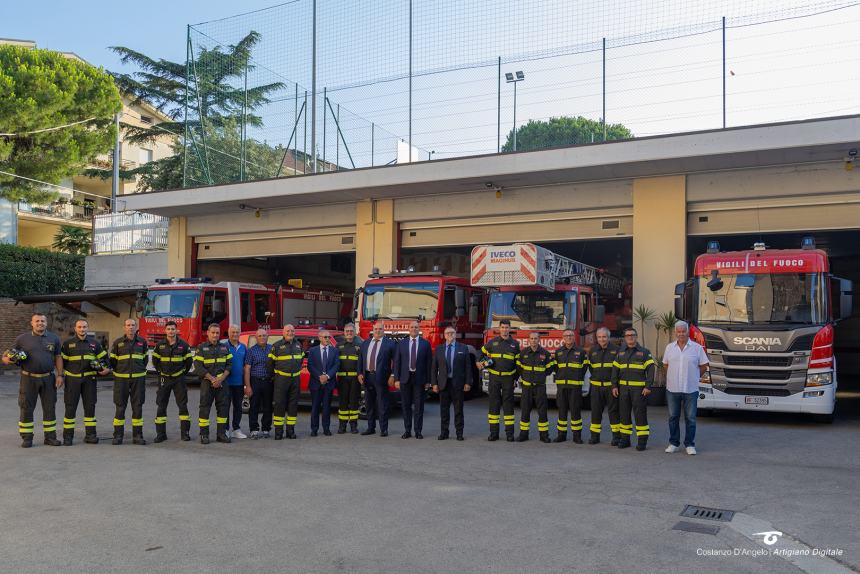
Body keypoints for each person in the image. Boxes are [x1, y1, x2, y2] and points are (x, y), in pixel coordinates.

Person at [4, 313, 63, 448]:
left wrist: (60, 375)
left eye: (42, 321)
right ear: (32, 323)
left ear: (46, 323)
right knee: (26, 407)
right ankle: (27, 438)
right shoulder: (22, 338)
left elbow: (58, 357)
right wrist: (6, 359)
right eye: (37, 321)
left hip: (48, 378)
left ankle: (50, 437)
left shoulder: (54, 338)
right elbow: (7, 353)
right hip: (28, 378)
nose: (40, 323)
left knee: (50, 408)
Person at [60, 318, 110, 445]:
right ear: (75, 329)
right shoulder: (67, 344)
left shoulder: (95, 343)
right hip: (73, 379)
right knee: (70, 407)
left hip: (89, 380)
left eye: (84, 327)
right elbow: (62, 362)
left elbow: (105, 359)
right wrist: (61, 375)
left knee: (90, 407)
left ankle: (91, 435)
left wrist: (105, 369)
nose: (82, 329)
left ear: (88, 328)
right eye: (79, 327)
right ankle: (68, 437)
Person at [663, 320, 708, 456]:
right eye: (679, 331)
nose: (681, 334)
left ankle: (689, 444)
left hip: (690, 389)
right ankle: (674, 443)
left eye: (683, 331)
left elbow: (703, 366)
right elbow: (665, 365)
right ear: (675, 332)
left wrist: (694, 377)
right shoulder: (669, 348)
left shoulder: (697, 348)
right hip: (673, 388)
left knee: (691, 418)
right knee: (673, 417)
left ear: (688, 332)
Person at [612, 327, 656, 451]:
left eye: (633, 335)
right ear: (625, 338)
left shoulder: (644, 352)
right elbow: (615, 370)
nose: (630, 337)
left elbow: (651, 369)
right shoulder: (620, 353)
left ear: (636, 337)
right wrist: (614, 386)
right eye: (628, 335)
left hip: (639, 390)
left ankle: (642, 441)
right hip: (623, 389)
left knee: (640, 415)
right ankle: (625, 440)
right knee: (624, 415)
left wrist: (648, 386)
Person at [477, 319, 520, 442]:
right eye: (503, 327)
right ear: (499, 328)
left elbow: (518, 365)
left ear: (510, 329)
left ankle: (509, 434)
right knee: (494, 406)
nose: (505, 330)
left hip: (508, 379)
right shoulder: (492, 342)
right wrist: (479, 362)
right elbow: (481, 352)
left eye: (507, 327)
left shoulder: (515, 344)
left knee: (508, 407)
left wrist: (515, 379)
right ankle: (494, 433)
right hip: (494, 378)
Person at [109, 318, 149, 445]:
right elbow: (113, 362)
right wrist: (121, 372)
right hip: (122, 379)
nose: (130, 327)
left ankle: (137, 436)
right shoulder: (117, 343)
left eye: (132, 325)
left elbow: (145, 360)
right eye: (128, 325)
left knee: (137, 407)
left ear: (136, 327)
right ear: (124, 327)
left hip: (138, 379)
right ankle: (118, 436)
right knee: (120, 407)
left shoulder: (142, 342)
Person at [152, 321, 193, 442]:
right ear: (165, 331)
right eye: (169, 329)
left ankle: (185, 433)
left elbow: (188, 362)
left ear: (176, 331)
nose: (171, 331)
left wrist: (181, 374)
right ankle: (161, 434)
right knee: (161, 405)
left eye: (173, 329)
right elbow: (155, 361)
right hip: (164, 379)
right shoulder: (159, 345)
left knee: (183, 406)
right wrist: (161, 373)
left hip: (179, 379)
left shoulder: (184, 345)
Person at [431, 327, 473, 440]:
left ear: (456, 334)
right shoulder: (439, 349)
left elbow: (468, 367)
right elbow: (434, 368)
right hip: (443, 384)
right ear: (444, 335)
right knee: (444, 410)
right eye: (447, 333)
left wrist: (468, 382)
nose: (450, 334)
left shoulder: (463, 348)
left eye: (452, 333)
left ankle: (459, 433)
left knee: (458, 410)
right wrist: (434, 383)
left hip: (458, 384)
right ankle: (444, 433)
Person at [194, 323, 233, 444]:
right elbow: (198, 367)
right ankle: (204, 435)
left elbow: (229, 365)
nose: (215, 335)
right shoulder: (201, 348)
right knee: (204, 408)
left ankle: (221, 434)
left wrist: (220, 380)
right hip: (207, 383)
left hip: (222, 383)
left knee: (223, 409)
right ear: (208, 333)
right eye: (213, 332)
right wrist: (212, 379)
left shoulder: (225, 348)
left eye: (217, 333)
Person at [393, 321, 432, 439]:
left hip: (420, 379)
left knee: (419, 406)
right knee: (406, 405)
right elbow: (397, 362)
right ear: (408, 329)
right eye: (412, 327)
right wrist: (396, 379)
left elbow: (429, 364)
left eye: (416, 327)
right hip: (405, 378)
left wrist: (428, 381)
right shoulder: (402, 343)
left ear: (419, 329)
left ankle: (418, 431)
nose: (414, 329)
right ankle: (407, 430)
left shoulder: (425, 344)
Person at [516, 332, 556, 443]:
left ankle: (544, 435)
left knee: (542, 411)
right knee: (525, 410)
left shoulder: (545, 354)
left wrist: (540, 377)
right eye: (532, 338)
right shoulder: (523, 353)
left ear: (539, 340)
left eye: (536, 338)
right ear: (529, 340)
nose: (533, 340)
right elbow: (519, 368)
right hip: (527, 387)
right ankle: (524, 434)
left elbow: (549, 369)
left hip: (540, 387)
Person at [358, 322, 396, 437]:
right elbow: (360, 360)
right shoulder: (365, 343)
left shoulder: (390, 344)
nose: (378, 331)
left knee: (382, 403)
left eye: (380, 329)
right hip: (367, 377)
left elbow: (396, 361)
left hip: (382, 378)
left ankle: (384, 429)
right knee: (369, 403)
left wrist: (393, 375)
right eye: (376, 329)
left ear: (384, 330)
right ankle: (371, 427)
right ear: (372, 330)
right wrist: (359, 373)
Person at [268, 324, 304, 439]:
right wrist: (275, 378)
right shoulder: (276, 346)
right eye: (288, 331)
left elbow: (301, 360)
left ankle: (290, 431)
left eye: (292, 331)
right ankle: (278, 432)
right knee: (279, 405)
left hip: (295, 380)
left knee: (293, 405)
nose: (290, 333)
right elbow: (269, 365)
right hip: (281, 380)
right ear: (283, 333)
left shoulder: (298, 345)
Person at [586, 327, 621, 445]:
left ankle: (616, 437)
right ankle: (594, 437)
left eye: (604, 337)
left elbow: (618, 370)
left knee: (613, 412)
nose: (602, 339)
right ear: (597, 338)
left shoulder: (616, 350)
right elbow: (591, 367)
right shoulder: (592, 351)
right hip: (596, 387)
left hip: (611, 387)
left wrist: (614, 385)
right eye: (599, 337)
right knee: (595, 412)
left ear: (609, 337)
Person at [553, 329, 588, 444]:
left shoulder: (581, 352)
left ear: (574, 337)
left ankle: (577, 436)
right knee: (561, 410)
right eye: (567, 335)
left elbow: (584, 368)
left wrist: (577, 378)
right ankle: (561, 435)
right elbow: (556, 368)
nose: (569, 337)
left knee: (575, 410)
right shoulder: (558, 352)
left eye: (571, 335)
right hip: (562, 387)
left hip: (575, 387)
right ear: (563, 338)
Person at [307, 329, 339, 436]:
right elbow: (310, 366)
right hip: (316, 383)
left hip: (329, 383)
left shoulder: (334, 351)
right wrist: (319, 377)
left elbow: (336, 365)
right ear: (319, 338)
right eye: (325, 337)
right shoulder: (313, 350)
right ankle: (314, 429)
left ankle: (326, 428)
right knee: (315, 407)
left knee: (326, 407)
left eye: (329, 337)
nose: (327, 339)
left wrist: (327, 376)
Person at [244, 327, 273, 439]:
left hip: (268, 381)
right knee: (254, 406)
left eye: (264, 335)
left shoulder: (272, 349)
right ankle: (254, 429)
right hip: (255, 381)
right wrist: (248, 386)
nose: (262, 338)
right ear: (256, 338)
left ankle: (266, 429)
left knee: (268, 406)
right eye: (260, 336)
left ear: (267, 337)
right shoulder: (251, 351)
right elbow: (247, 369)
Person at [224, 324, 250, 439]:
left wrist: (246, 384)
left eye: (237, 332)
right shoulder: (223, 347)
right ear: (228, 333)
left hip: (239, 383)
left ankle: (236, 429)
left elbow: (246, 367)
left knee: (238, 407)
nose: (235, 334)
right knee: (225, 407)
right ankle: (225, 430)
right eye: (233, 332)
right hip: (226, 383)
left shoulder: (244, 347)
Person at [335, 323, 362, 434]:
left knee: (354, 402)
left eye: (351, 331)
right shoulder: (338, 345)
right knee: (343, 402)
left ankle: (353, 425)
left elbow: (362, 362)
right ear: (344, 333)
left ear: (354, 332)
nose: (349, 333)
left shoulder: (360, 345)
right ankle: (342, 425)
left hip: (355, 379)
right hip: (342, 379)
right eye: (347, 331)